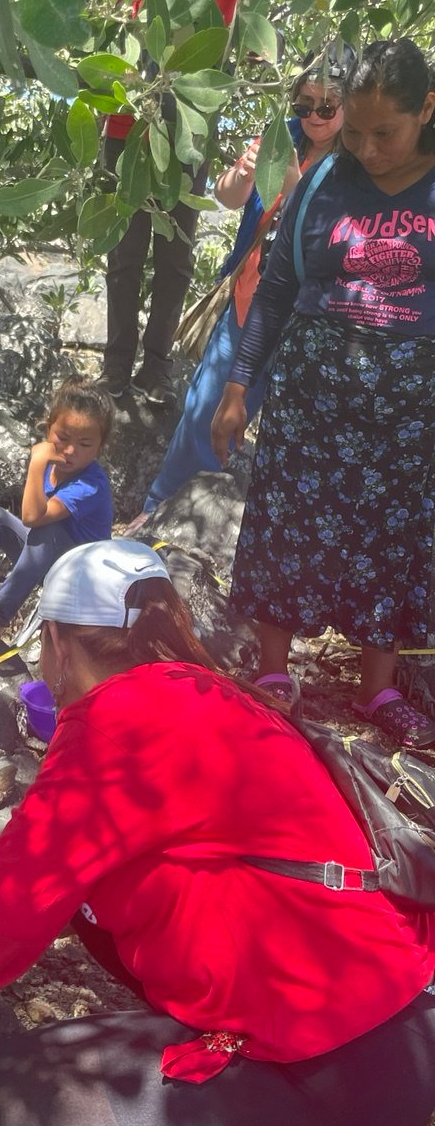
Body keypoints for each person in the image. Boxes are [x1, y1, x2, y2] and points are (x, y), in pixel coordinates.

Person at [0, 539, 435, 1126]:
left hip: (321, 1072)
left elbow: (10, 901)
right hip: (392, 1028)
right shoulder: (209, 690)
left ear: (59, 644)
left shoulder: (114, 722)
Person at [212, 38, 435, 745]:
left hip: (409, 409)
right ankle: (275, 672)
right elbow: (277, 291)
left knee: (393, 534)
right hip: (313, 394)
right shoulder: (324, 178)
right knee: (285, 518)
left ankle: (377, 690)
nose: (368, 148)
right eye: (355, 131)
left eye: (385, 132)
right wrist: (238, 384)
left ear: (427, 108)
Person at [129, 49, 349, 528]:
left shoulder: (358, 159)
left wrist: (294, 187)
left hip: (309, 318)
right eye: (303, 105)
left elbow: (334, 233)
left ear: (350, 104)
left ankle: (227, 521)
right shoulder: (281, 137)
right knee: (205, 407)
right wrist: (247, 171)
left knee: (286, 428)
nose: (313, 116)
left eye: (326, 107)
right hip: (251, 295)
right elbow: (229, 197)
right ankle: (158, 510)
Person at [98, 0, 247, 406]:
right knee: (124, 255)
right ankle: (117, 365)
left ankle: (157, 368)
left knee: (175, 257)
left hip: (188, 133)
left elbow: (235, 39)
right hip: (127, 130)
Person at [0, 377, 113, 641]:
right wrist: (42, 467)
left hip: (79, 580)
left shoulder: (91, 483)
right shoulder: (54, 466)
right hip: (49, 563)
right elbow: (29, 517)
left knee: (48, 529)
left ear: (100, 447)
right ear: (48, 428)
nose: (69, 450)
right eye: (62, 437)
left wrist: (36, 464)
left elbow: (32, 518)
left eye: (85, 444)